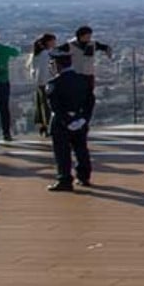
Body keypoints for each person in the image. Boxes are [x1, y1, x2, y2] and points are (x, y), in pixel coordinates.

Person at [46, 52, 95, 192]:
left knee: (62, 152)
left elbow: (54, 106)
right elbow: (90, 102)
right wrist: (83, 118)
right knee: (81, 149)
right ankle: (84, 176)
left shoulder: (54, 83)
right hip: (80, 119)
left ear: (57, 65)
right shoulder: (84, 80)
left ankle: (65, 179)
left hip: (61, 123)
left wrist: (67, 120)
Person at [58, 26, 113, 94]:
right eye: (87, 37)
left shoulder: (93, 43)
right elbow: (56, 52)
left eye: (90, 36)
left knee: (89, 93)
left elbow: (104, 47)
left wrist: (108, 52)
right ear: (80, 36)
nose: (89, 38)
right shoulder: (70, 45)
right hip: (76, 73)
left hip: (89, 73)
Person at [28, 34, 61, 137]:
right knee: (48, 106)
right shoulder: (47, 54)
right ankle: (48, 126)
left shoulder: (35, 54)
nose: (55, 43)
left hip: (39, 83)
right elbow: (47, 70)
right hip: (47, 82)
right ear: (48, 42)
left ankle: (43, 125)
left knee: (41, 105)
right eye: (53, 41)